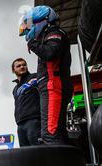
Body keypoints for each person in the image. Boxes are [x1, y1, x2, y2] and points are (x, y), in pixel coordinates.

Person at [19, 5, 73, 145]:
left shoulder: (54, 33)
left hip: (54, 87)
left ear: (42, 21)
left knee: (50, 134)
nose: (29, 31)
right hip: (51, 86)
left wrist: (33, 44)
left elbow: (50, 53)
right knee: (56, 132)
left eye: (30, 26)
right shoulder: (47, 35)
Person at [12, 58, 41, 146]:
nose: (22, 67)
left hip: (34, 120)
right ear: (14, 70)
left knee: (37, 150)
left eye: (24, 65)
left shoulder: (35, 77)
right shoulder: (15, 89)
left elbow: (45, 81)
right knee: (26, 154)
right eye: (19, 66)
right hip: (20, 124)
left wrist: (33, 83)